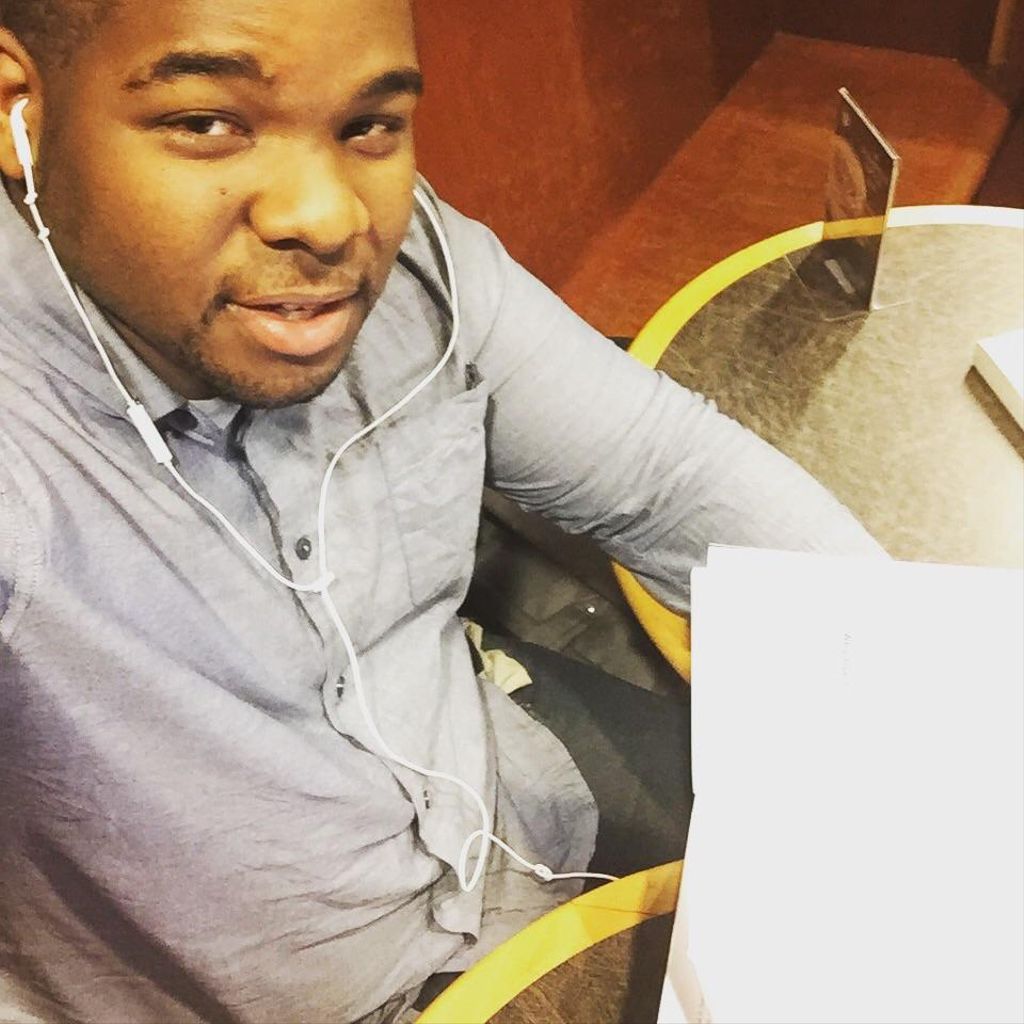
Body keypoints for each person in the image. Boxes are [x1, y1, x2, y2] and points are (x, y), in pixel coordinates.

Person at [0, 1, 884, 1021]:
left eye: (368, 125)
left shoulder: (419, 259)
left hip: (512, 809)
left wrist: (938, 689)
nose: (329, 216)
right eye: (208, 123)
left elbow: (663, 472)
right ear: (21, 108)